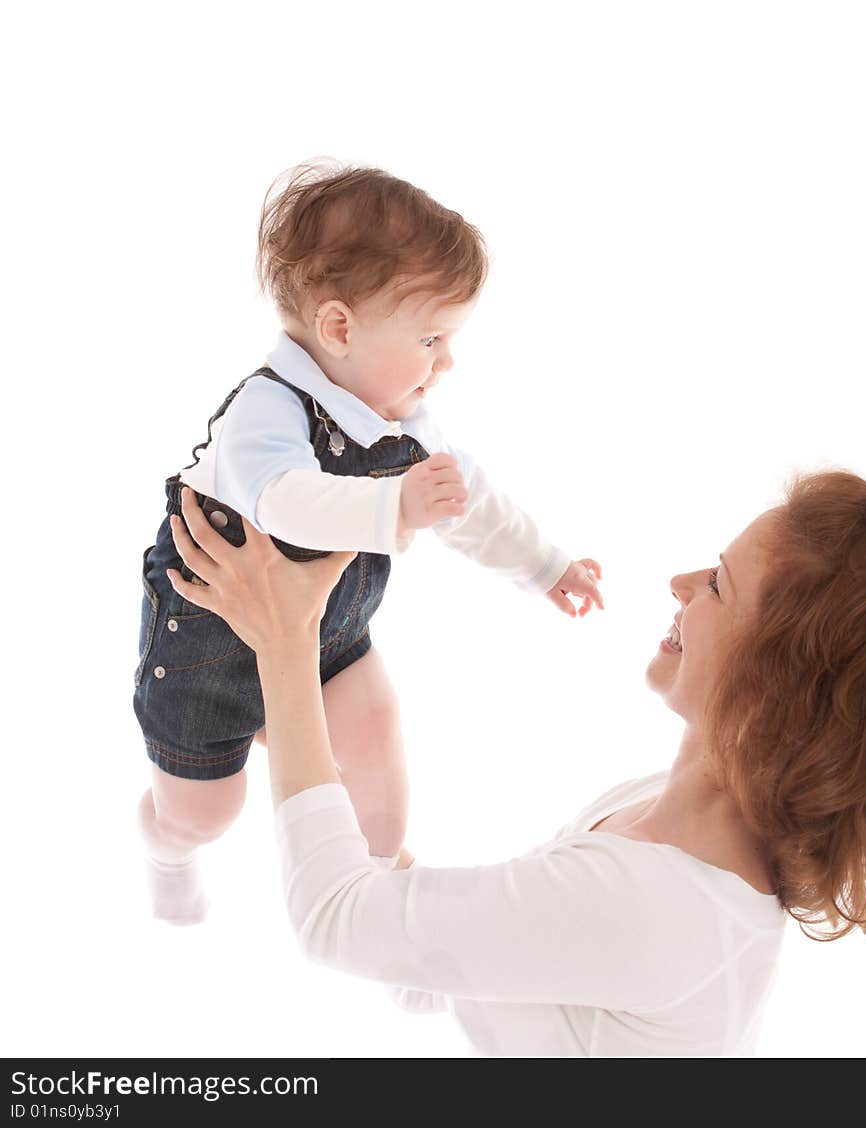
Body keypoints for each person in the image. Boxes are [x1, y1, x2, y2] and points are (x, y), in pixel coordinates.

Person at [164, 471, 866, 1057]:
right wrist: (301, 735)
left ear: (773, 687)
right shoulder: (655, 813)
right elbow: (444, 968)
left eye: (718, 586)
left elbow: (335, 920)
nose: (680, 582)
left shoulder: (653, 902)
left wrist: (286, 641)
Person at [132, 161, 604, 925]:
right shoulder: (266, 408)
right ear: (339, 327)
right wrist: (396, 504)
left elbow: (469, 502)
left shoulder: (401, 422)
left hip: (328, 640)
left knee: (377, 737)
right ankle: (166, 846)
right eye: (430, 337)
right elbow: (283, 503)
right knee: (204, 813)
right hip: (208, 649)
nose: (446, 361)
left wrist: (545, 567)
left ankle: (382, 892)